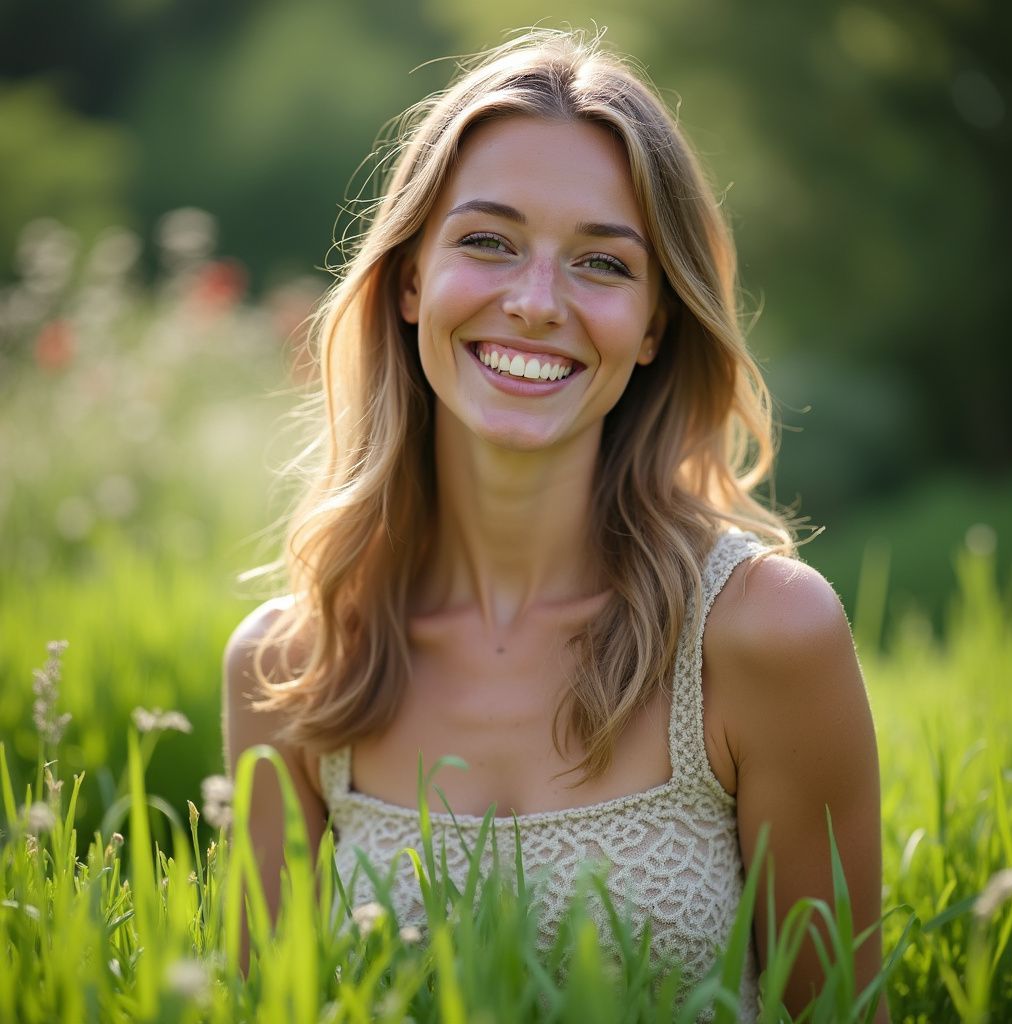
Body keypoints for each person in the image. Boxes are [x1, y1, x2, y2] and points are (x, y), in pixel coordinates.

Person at [223, 28, 885, 1019]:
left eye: (602, 264)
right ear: (410, 280)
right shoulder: (292, 667)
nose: (534, 304)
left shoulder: (765, 634)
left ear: (656, 321)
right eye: (486, 241)